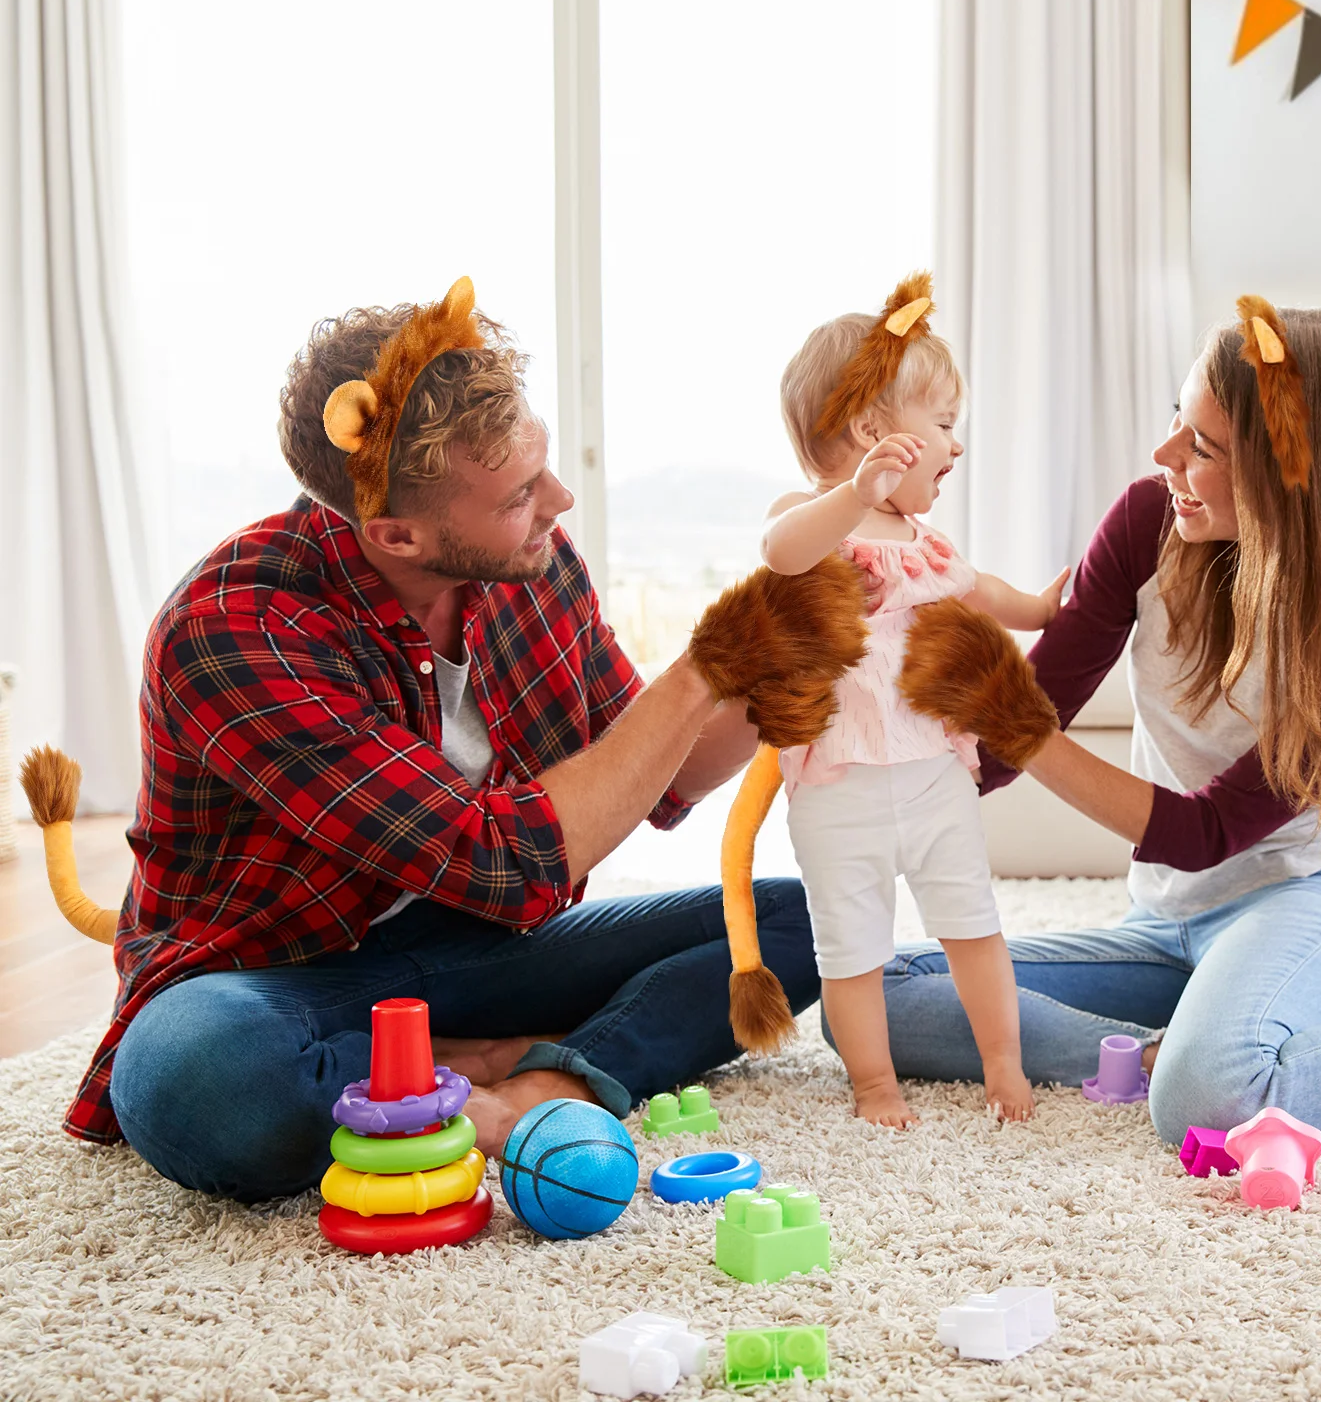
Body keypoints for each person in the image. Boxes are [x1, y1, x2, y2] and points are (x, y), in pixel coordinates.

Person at [68, 277, 848, 1202]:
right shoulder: (237, 626)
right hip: (280, 981)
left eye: (543, 466)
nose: (558, 499)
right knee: (189, 1074)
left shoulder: (530, 560)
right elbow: (509, 862)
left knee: (799, 921)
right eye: (522, 493)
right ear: (395, 533)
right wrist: (704, 668)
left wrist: (809, 648)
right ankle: (465, 1084)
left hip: (479, 951)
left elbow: (655, 773)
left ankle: (532, 1079)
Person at [880, 296, 1321, 1145]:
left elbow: (1207, 830)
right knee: (878, 994)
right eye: (1175, 422)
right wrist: (870, 729)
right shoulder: (1147, 521)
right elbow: (1001, 746)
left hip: (1313, 902)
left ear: (1293, 478)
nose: (1163, 455)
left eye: (1202, 447)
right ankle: (1174, 1052)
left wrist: (1023, 732)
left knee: (1205, 1105)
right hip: (1165, 923)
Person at [761, 273, 1069, 1126]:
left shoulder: (926, 545)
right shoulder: (816, 520)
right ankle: (873, 1085)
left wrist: (1044, 610)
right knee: (852, 949)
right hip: (838, 785)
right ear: (872, 436)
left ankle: (1003, 1067)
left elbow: (985, 593)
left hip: (933, 774)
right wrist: (853, 496)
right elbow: (781, 552)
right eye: (942, 426)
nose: (955, 447)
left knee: (973, 923)